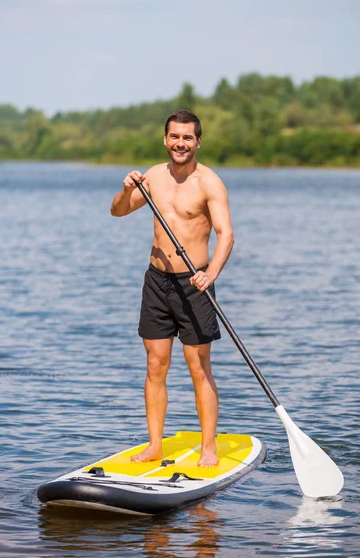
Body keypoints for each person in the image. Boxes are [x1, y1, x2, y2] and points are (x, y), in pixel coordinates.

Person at [110, 110, 234, 467]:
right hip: (157, 280)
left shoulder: (209, 182)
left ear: (198, 141)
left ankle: (208, 447)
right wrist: (126, 190)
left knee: (198, 366)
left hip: (195, 282)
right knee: (155, 364)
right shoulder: (152, 177)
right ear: (165, 139)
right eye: (174, 137)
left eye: (188, 138)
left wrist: (211, 273)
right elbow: (118, 212)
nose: (181, 143)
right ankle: (154, 445)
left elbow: (226, 234)